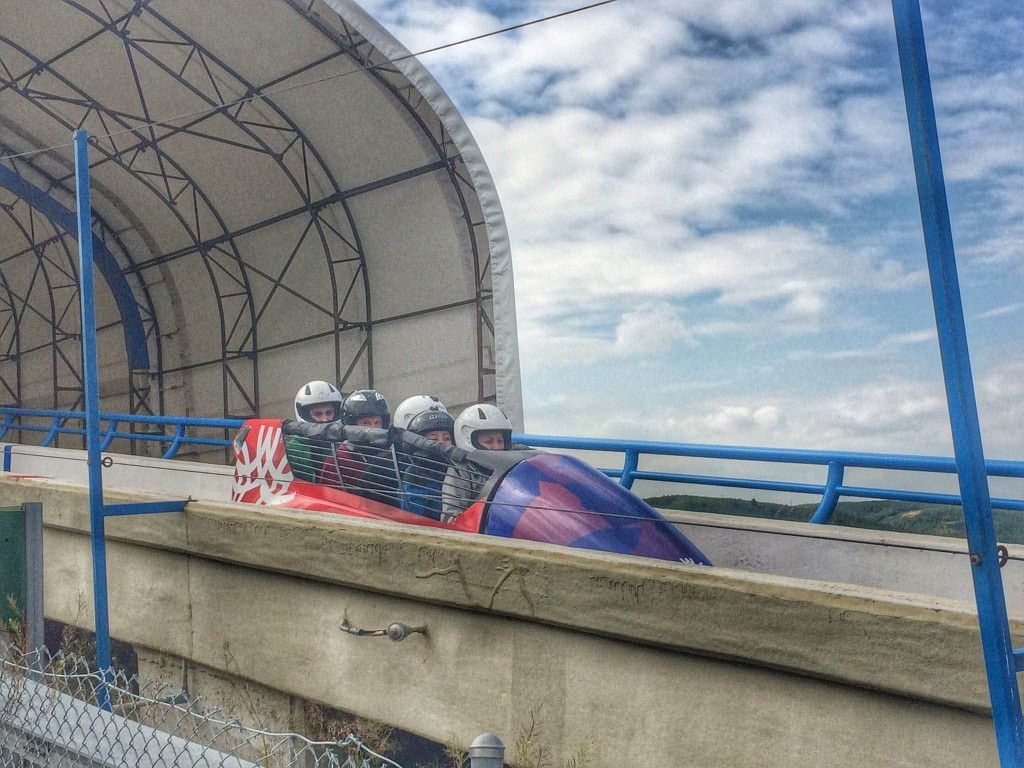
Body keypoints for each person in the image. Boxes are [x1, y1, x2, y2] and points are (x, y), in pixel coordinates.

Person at [320, 389, 401, 504]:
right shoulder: (338, 460)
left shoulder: (392, 454)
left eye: (377, 422)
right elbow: (329, 502)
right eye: (366, 423)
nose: (373, 429)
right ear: (351, 425)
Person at [441, 403, 514, 521]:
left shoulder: (510, 467)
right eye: (488, 441)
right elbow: (451, 517)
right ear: (469, 440)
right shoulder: (460, 470)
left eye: (500, 441)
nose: (496, 447)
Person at [400, 407, 456, 520]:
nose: (441, 443)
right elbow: (413, 517)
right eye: (433, 439)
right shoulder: (415, 474)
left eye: (446, 438)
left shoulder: (459, 469)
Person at [285, 380, 343, 482]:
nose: (325, 419)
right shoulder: (294, 450)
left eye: (329, 413)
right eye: (317, 414)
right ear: (305, 415)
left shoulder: (341, 443)